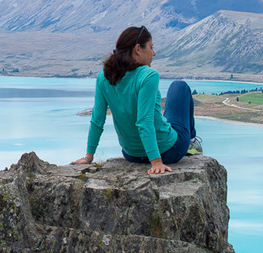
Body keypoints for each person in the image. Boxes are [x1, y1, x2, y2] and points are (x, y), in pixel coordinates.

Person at [71, 25, 199, 175]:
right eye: (151, 47)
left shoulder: (103, 76)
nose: (154, 53)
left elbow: (97, 119)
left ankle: (184, 141)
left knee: (164, 117)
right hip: (169, 152)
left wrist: (88, 156)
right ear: (138, 49)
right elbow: (144, 122)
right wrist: (156, 161)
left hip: (131, 155)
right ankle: (192, 142)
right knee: (179, 86)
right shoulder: (148, 75)